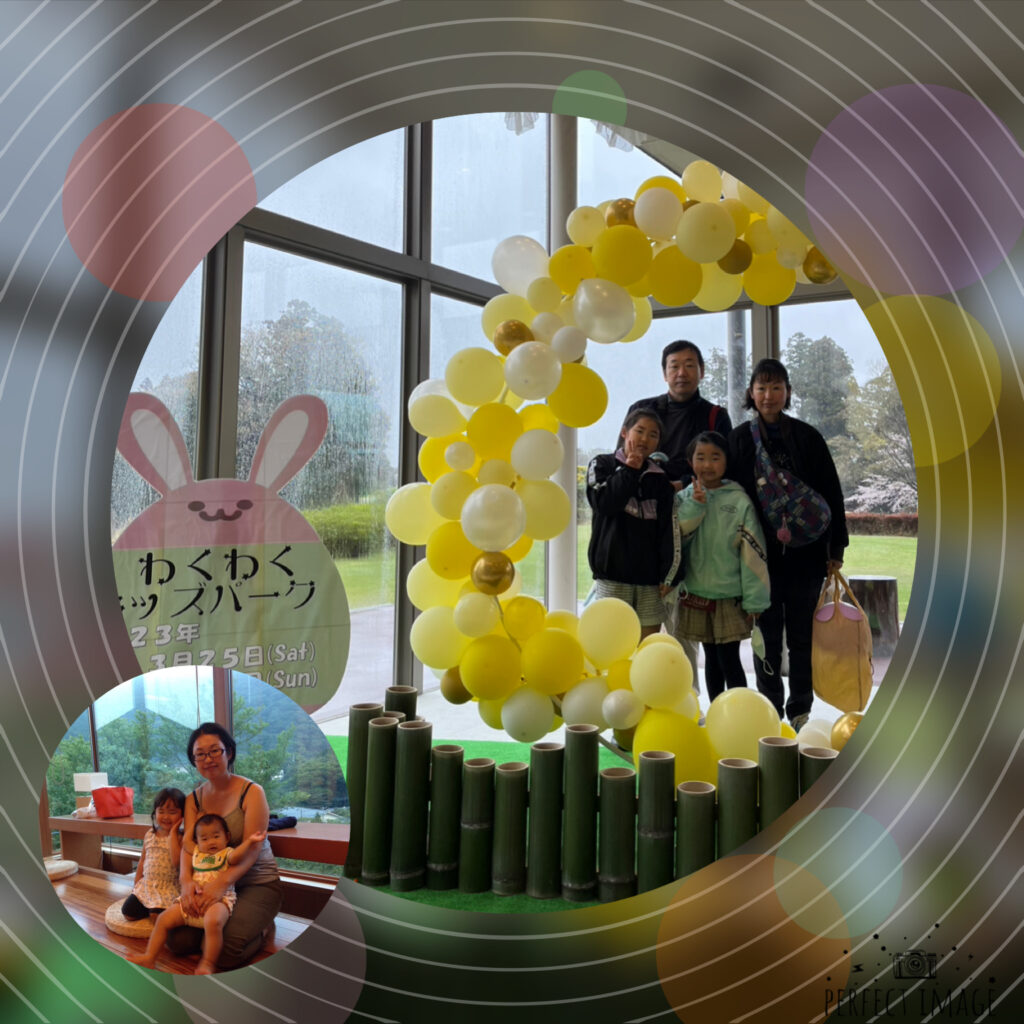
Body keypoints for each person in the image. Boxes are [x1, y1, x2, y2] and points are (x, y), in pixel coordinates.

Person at [727, 358, 848, 730]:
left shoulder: (808, 437)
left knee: (802, 638)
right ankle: (769, 707)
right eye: (761, 388)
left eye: (776, 387)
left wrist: (836, 550)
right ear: (751, 393)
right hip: (759, 557)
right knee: (764, 638)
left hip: (806, 557)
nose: (769, 395)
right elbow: (729, 496)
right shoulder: (739, 440)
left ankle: (800, 710)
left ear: (788, 392)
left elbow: (831, 493)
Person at [160, 722, 282, 971]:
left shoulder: (252, 792)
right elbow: (189, 846)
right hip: (209, 882)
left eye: (215, 751)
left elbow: (252, 850)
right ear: (194, 760)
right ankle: (214, 934)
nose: (208, 759)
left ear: (229, 752)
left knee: (224, 954)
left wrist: (221, 884)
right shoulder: (194, 799)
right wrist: (186, 882)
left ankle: (263, 927)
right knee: (177, 940)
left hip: (255, 883)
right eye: (200, 754)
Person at [675, 431, 770, 701]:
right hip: (695, 593)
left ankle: (738, 713)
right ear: (690, 462)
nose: (707, 464)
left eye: (715, 457)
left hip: (730, 596)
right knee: (710, 659)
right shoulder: (683, 498)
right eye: (700, 457)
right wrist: (695, 505)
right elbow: (678, 536)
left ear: (727, 462)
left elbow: (753, 554)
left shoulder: (739, 501)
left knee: (729, 659)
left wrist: (755, 601)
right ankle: (718, 712)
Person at [128, 814, 267, 974]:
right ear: (198, 841)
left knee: (213, 922)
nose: (211, 842)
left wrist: (250, 841)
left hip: (218, 901)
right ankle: (149, 957)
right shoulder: (196, 852)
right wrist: (186, 825)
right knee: (163, 919)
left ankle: (207, 963)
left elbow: (238, 856)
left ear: (227, 837)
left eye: (216, 836)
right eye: (204, 838)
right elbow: (187, 842)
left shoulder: (226, 853)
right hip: (190, 901)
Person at [587, 408, 680, 638]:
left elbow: (668, 530)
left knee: (647, 646)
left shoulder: (660, 480)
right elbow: (604, 503)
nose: (645, 439)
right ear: (624, 432)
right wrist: (629, 470)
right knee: (612, 643)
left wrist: (669, 575)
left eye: (653, 435)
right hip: (612, 575)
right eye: (640, 431)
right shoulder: (602, 464)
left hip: (650, 581)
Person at [624, 340, 733, 492]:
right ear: (665, 374)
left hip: (697, 498)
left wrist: (683, 485)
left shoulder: (716, 415)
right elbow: (621, 458)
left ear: (702, 371)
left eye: (689, 365)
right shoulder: (641, 410)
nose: (681, 373)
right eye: (674, 367)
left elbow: (725, 468)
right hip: (644, 497)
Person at [121, 787, 185, 921]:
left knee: (159, 917)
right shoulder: (150, 834)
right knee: (127, 913)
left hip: (168, 887)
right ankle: (150, 907)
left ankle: (155, 910)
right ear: (155, 812)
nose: (166, 817)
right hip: (148, 885)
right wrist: (136, 884)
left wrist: (173, 834)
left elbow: (177, 862)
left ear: (182, 815)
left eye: (172, 812)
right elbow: (142, 861)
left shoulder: (181, 838)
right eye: (161, 811)